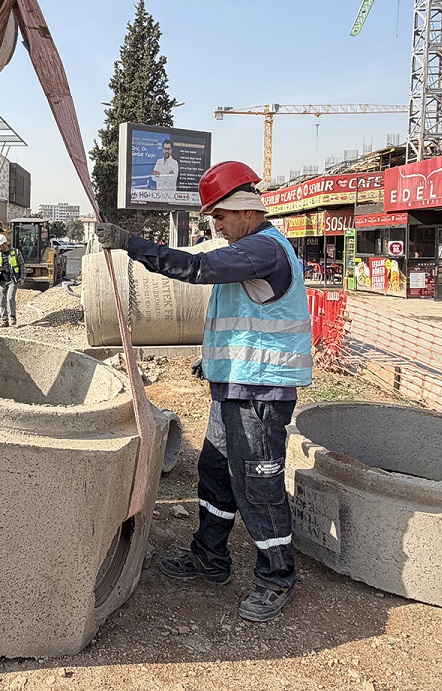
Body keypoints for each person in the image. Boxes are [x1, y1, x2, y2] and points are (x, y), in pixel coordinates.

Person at [94, 160, 310, 624]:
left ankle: (277, 577)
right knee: (214, 473)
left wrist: (130, 242)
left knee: (258, 485)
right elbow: (245, 320)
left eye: (221, 217)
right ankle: (210, 558)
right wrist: (212, 361)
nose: (217, 227)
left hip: (260, 393)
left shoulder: (263, 250)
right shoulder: (250, 250)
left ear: (247, 210)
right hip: (234, 384)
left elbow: (195, 268)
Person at [0, 233, 23, 328]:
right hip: (2, 281)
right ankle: (4, 320)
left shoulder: (16, 252)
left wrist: (22, 277)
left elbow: (21, 265)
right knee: (1, 301)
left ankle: (12, 317)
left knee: (10, 298)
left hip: (13, 280)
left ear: (5, 244)